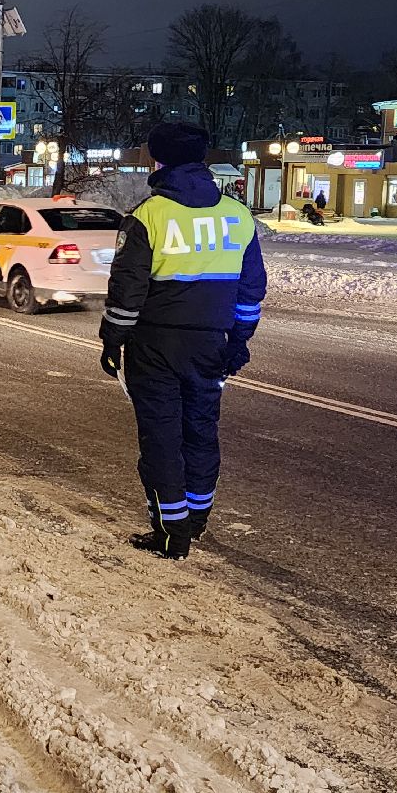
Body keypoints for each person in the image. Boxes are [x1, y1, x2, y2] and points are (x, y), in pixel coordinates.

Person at [99, 122, 267, 559]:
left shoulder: (149, 216)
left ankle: (172, 532)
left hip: (155, 346)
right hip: (212, 343)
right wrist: (239, 340)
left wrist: (112, 339)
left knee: (162, 437)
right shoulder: (237, 215)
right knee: (201, 433)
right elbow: (250, 291)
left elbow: (127, 291)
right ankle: (196, 521)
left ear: (159, 161)